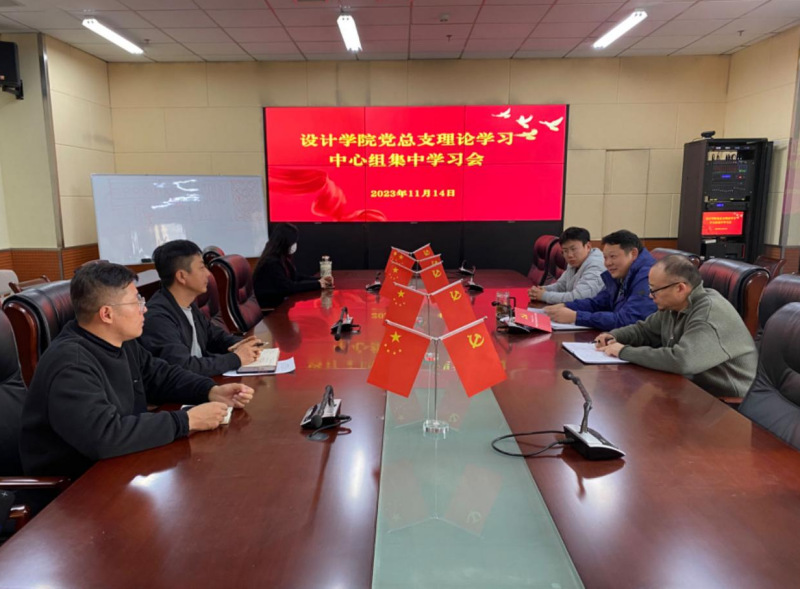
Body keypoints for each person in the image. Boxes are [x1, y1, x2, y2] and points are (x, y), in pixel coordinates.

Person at [20, 262, 254, 478]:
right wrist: (187, 420)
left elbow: (161, 375)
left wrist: (210, 390)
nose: (145, 309)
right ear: (107, 314)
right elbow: (105, 436)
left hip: (121, 465)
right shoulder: (71, 363)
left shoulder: (121, 341)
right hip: (73, 488)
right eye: (136, 302)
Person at [595, 255, 758, 398]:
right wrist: (615, 335)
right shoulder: (674, 306)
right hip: (692, 389)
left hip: (726, 402)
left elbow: (682, 361)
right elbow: (644, 330)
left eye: (654, 290)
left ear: (680, 288)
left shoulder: (709, 314)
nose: (651, 296)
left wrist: (624, 352)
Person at [140, 240, 262, 376]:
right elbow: (183, 367)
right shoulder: (158, 318)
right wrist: (236, 359)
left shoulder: (188, 304)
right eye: (202, 267)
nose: (208, 274)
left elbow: (214, 336)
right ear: (181, 276)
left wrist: (244, 345)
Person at [544, 229, 657, 330]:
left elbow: (627, 320)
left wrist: (576, 317)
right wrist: (567, 306)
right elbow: (598, 302)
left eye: (613, 257)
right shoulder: (621, 272)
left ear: (633, 253)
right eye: (605, 258)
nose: (607, 263)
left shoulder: (648, 277)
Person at [253, 223, 334, 309]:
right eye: (293, 242)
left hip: (281, 304)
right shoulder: (271, 262)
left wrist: (320, 280)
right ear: (285, 242)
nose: (295, 245)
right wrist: (318, 284)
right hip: (272, 309)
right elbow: (288, 287)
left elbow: (295, 277)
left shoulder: (282, 258)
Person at [528, 227, 605, 304]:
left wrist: (544, 296)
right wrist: (542, 290)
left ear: (588, 247)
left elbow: (579, 298)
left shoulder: (596, 266)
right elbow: (561, 286)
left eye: (573, 249)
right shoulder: (575, 262)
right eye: (565, 251)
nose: (569, 255)